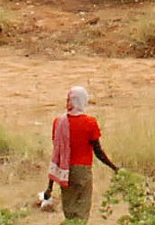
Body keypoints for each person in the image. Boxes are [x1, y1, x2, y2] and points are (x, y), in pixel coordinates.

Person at [41, 86, 117, 222]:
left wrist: (50, 186)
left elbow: (57, 155)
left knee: (69, 212)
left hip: (64, 172)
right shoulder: (90, 123)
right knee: (82, 212)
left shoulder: (58, 122)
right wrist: (114, 167)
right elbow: (98, 152)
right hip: (82, 172)